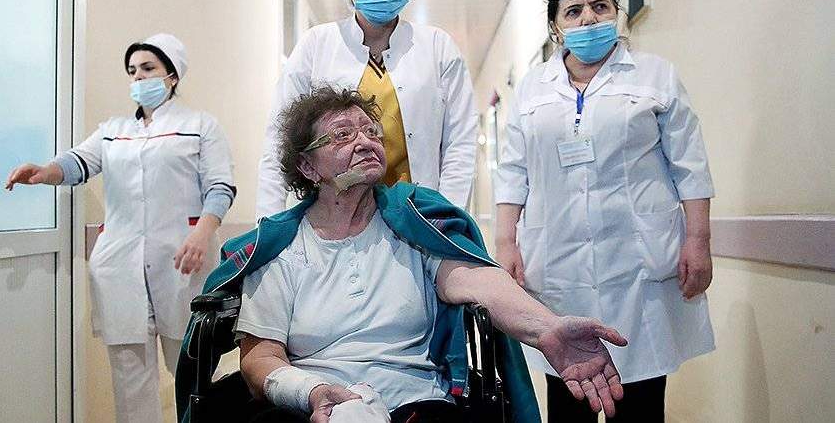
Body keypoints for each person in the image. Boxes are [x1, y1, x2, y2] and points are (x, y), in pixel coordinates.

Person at [177, 87, 628, 423]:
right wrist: (311, 391)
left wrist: (547, 328)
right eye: (343, 135)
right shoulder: (281, 249)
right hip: (315, 404)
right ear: (308, 167)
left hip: (415, 402)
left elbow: (476, 281)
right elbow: (260, 360)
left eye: (371, 131)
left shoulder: (412, 225)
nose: (365, 141)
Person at [493, 0, 716, 422]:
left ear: (617, 11)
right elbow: (513, 171)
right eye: (574, 11)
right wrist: (506, 242)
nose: (589, 18)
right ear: (556, 25)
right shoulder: (532, 89)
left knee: (640, 405)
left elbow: (690, 165)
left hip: (638, 270)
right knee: (568, 401)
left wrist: (698, 240)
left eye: (599, 5)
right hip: (559, 272)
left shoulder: (656, 76)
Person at [5, 33, 236, 423]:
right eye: (132, 71)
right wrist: (45, 172)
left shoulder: (200, 126)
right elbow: (79, 162)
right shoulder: (114, 130)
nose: (138, 77)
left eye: (148, 68)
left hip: (183, 262)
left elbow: (220, 186)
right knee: (130, 383)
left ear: (172, 75)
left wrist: (202, 232)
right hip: (121, 268)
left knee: (193, 376)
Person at [256, 0, 478, 218]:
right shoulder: (316, 45)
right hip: (335, 219)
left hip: (420, 218)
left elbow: (460, 144)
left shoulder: (437, 47)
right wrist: (267, 225)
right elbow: (279, 144)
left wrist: (448, 219)